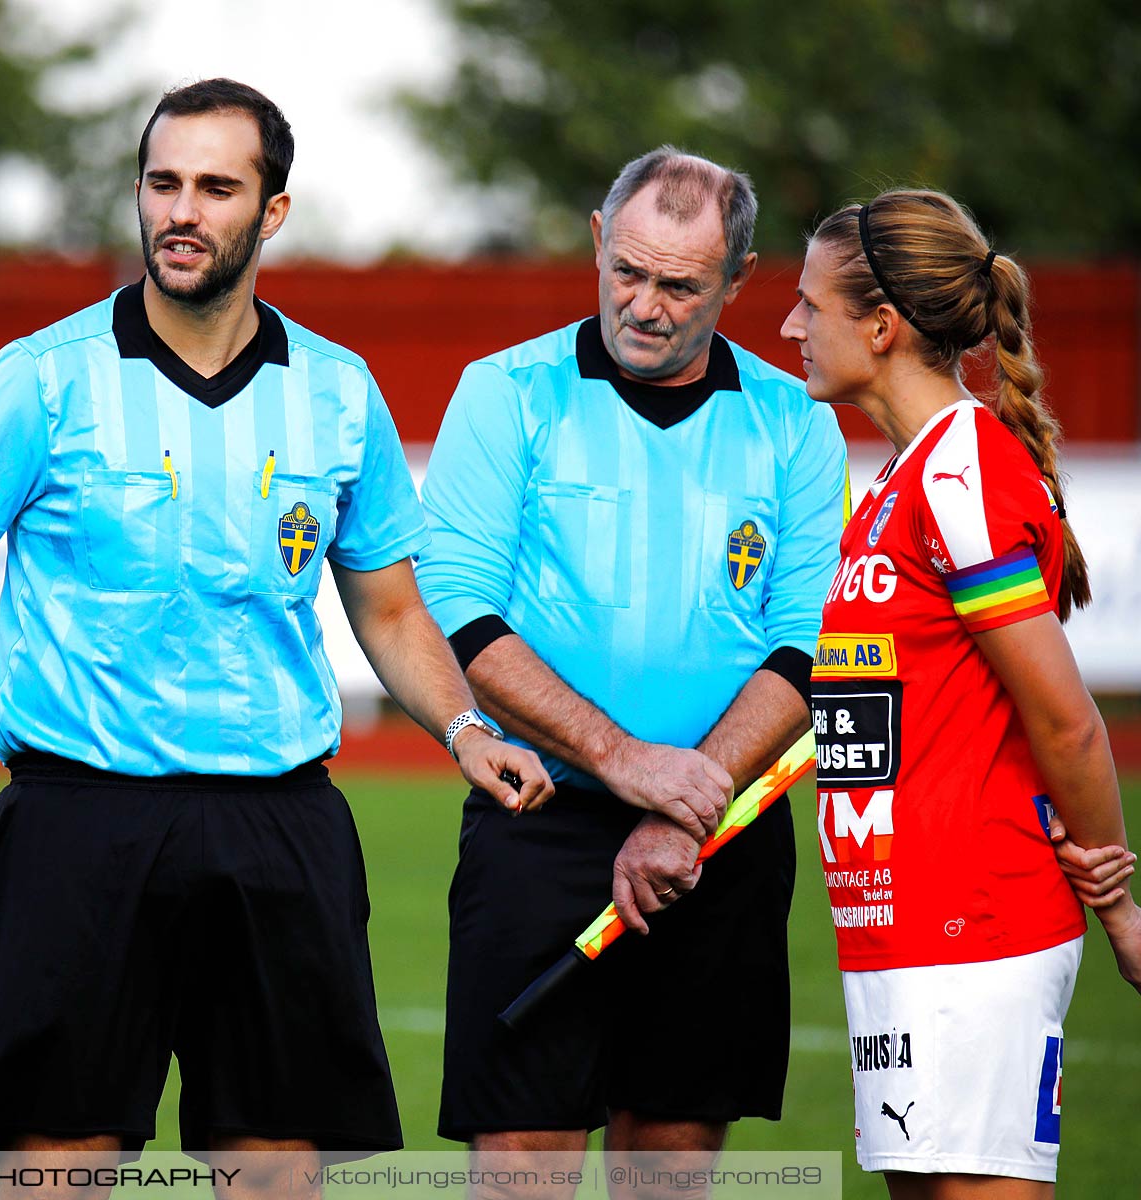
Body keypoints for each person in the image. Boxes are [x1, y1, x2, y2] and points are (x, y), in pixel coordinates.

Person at [0, 78, 548, 1197]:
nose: (183, 209)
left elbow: (391, 606)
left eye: (218, 187)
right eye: (163, 183)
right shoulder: (41, 376)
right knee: (57, 1163)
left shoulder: (337, 390)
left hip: (279, 827)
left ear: (271, 213)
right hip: (82, 821)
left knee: (275, 1166)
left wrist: (464, 725)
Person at [416, 147, 849, 1193]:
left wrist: (686, 801)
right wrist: (626, 765)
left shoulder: (797, 423)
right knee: (521, 1160)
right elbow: (464, 615)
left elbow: (809, 642)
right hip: (541, 824)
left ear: (738, 284)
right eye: (629, 271)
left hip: (721, 836)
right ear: (598, 240)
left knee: (671, 1166)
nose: (645, 305)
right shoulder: (504, 394)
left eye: (682, 284)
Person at [782, 188, 1141, 1197]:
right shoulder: (902, 476)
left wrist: (1118, 906)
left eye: (810, 304)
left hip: (971, 928)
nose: (789, 324)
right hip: (895, 928)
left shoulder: (959, 476)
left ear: (883, 325)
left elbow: (1066, 719)